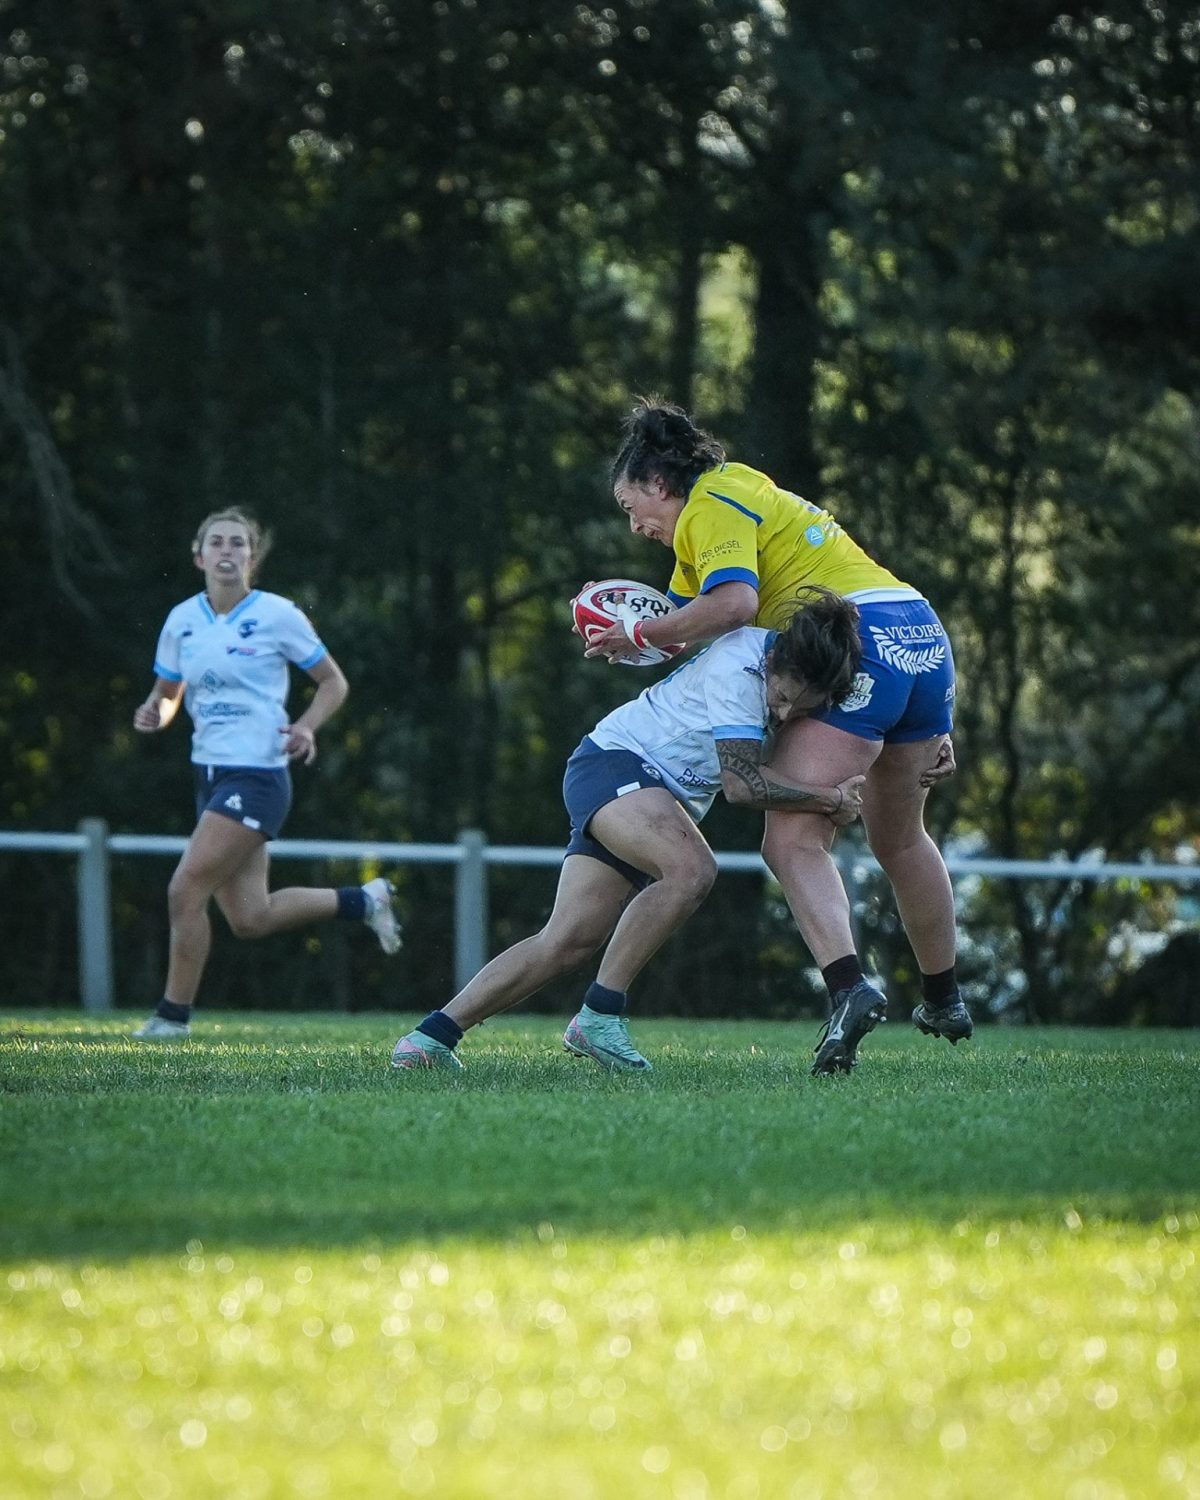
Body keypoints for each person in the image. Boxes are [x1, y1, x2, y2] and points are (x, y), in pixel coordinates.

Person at [585, 398, 970, 1076]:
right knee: (901, 837)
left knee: (792, 837)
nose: (635, 525)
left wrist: (639, 631)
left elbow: (734, 607)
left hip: (861, 643)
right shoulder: (738, 495)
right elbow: (693, 632)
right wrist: (616, 622)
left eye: (630, 506)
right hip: (917, 633)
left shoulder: (710, 501)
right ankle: (943, 997)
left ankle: (849, 989)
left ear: (658, 483)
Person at [391, 588, 865, 1073]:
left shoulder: (791, 672)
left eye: (798, 711)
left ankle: (428, 1040)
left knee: (567, 940)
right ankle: (600, 1013)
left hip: (644, 788)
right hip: (617, 764)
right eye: (782, 699)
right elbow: (742, 787)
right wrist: (828, 800)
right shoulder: (740, 668)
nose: (783, 715)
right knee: (691, 870)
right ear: (776, 665)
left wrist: (930, 750)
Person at [130, 508, 400, 1041]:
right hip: (209, 772)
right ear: (199, 555)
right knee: (250, 918)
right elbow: (166, 695)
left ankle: (172, 1018)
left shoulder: (277, 615)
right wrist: (152, 713)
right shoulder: (182, 620)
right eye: (217, 542)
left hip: (256, 775)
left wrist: (305, 726)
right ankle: (365, 900)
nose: (227, 551)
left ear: (252, 557)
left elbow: (333, 683)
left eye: (238, 543)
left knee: (184, 889)